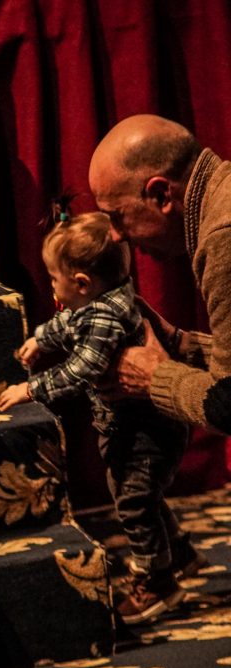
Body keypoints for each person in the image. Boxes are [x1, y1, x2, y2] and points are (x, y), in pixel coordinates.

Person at [0, 210, 201, 625]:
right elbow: (70, 321)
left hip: (146, 428)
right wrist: (42, 338)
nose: (51, 285)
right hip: (132, 426)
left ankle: (159, 581)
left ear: (81, 283)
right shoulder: (103, 300)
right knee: (133, 491)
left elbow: (83, 368)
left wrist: (31, 389)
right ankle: (177, 552)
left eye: (53, 278)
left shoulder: (104, 316)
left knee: (133, 498)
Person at [88, 113, 231, 434]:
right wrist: (180, 344)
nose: (115, 236)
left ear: (161, 195)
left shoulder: (223, 237)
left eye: (117, 216)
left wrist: (154, 377)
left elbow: (228, 406)